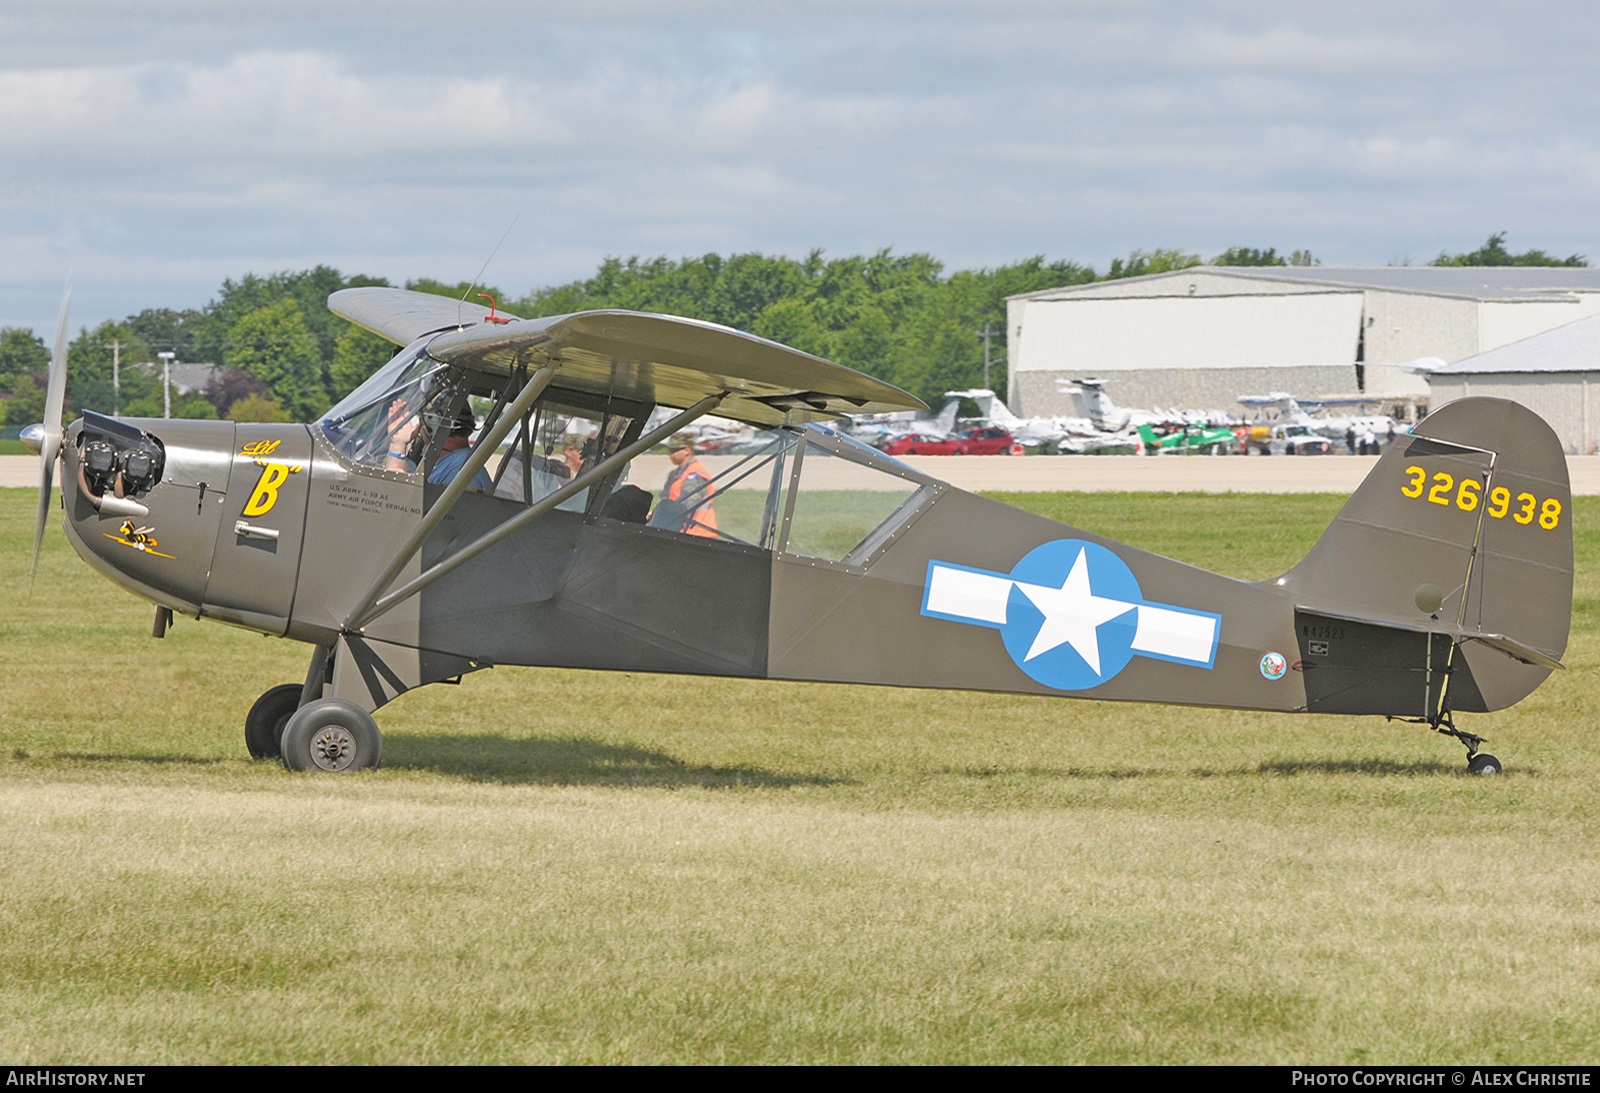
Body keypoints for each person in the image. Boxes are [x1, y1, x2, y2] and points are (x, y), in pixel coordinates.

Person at [385, 402, 491, 490]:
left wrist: (398, 445)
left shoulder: (460, 471)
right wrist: (398, 443)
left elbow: (398, 505)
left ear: (432, 423)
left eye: (424, 418)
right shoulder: (454, 462)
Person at [648, 432, 718, 537]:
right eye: (669, 450)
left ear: (687, 450)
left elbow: (687, 505)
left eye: (674, 450)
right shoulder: (675, 474)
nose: (670, 454)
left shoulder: (696, 474)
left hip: (697, 533)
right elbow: (666, 502)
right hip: (678, 530)